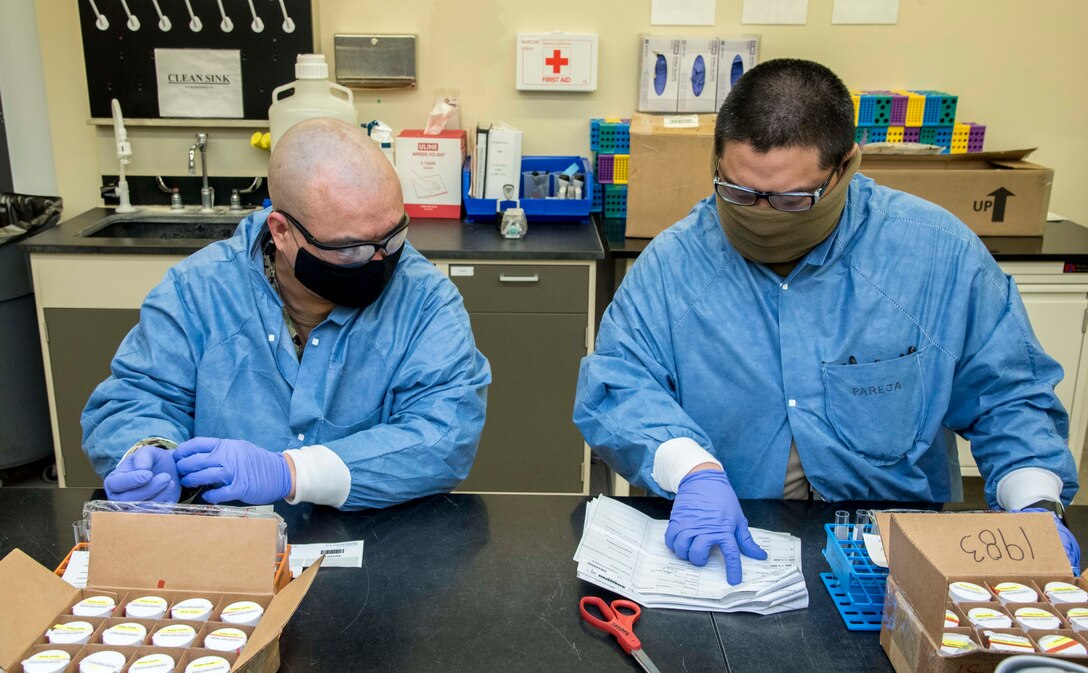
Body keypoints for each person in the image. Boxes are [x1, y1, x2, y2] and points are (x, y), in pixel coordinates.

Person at [574, 59, 1079, 584]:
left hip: (890, 557)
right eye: (739, 193)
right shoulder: (674, 265)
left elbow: (1008, 396)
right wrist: (691, 470)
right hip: (730, 545)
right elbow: (619, 385)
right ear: (717, 163)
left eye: (793, 199)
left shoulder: (935, 255)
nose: (761, 214)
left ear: (845, 167)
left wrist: (1034, 504)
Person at [83, 118, 490, 510]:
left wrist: (292, 472)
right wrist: (147, 452)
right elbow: (135, 398)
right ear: (281, 231)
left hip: (377, 543)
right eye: (350, 247)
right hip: (225, 545)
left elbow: (444, 436)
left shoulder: (425, 300)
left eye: (393, 235)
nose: (379, 259)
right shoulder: (198, 290)